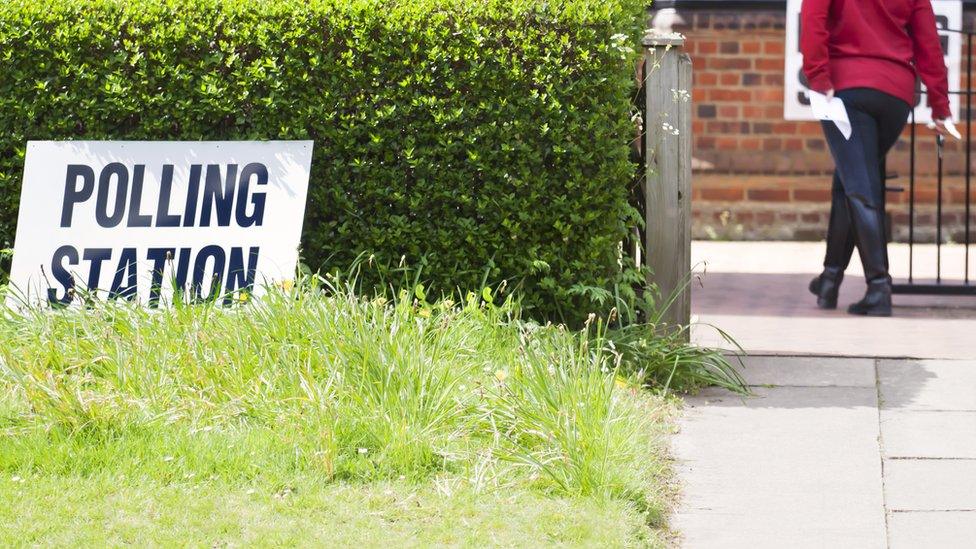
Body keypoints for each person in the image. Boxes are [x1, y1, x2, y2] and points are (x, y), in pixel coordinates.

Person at [800, 0, 952, 316]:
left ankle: (879, 287)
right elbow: (928, 43)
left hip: (846, 89)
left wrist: (818, 76)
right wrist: (939, 105)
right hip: (896, 96)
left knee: (859, 187)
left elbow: (813, 19)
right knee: (850, 179)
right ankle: (829, 280)